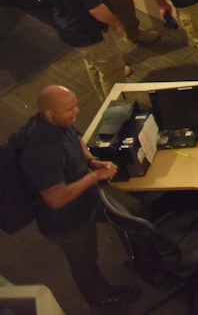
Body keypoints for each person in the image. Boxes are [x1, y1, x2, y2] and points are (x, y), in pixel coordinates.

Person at [20, 85, 140, 309]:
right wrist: (94, 176)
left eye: (76, 105)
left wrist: (93, 162)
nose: (76, 111)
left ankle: (140, 260)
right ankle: (101, 300)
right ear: (49, 113)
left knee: (129, 214)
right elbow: (56, 199)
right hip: (67, 221)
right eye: (69, 109)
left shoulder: (60, 123)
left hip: (87, 198)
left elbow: (77, 141)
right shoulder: (39, 151)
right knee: (85, 261)